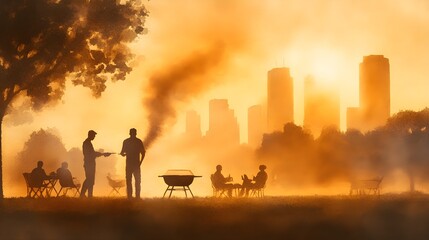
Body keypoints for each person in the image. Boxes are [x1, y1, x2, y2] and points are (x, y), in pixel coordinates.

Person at [80, 130, 111, 198]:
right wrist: (103, 154)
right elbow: (92, 154)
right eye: (93, 135)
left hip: (90, 163)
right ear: (90, 135)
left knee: (90, 180)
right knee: (89, 179)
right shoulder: (87, 143)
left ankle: (87, 195)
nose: (94, 137)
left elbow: (93, 153)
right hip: (89, 164)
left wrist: (102, 154)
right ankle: (85, 194)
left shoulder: (88, 143)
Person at [120, 128, 146, 199]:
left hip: (129, 164)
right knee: (137, 181)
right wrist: (140, 162)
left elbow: (122, 152)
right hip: (136, 164)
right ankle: (137, 197)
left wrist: (123, 154)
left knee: (129, 181)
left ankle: (129, 197)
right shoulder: (138, 141)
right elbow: (143, 153)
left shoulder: (126, 141)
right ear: (136, 133)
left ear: (129, 133)